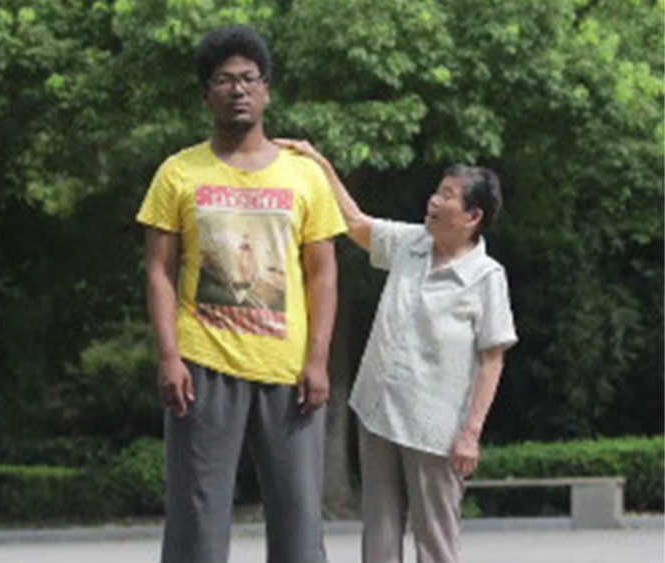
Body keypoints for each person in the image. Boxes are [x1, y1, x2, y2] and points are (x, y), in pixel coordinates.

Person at [136, 26, 346, 563]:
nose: (238, 90)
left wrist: (318, 359)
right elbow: (159, 271)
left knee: (300, 524)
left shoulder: (304, 175)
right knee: (197, 523)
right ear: (206, 95)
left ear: (267, 90)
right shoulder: (178, 173)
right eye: (224, 80)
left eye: (249, 78)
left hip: (289, 370)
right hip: (202, 365)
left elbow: (323, 273)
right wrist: (169, 357)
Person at [275, 140, 518, 563]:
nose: (433, 201)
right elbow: (354, 222)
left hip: (436, 429)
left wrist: (470, 433)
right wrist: (320, 164)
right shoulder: (412, 243)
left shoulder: (485, 277)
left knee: (435, 540)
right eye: (437, 191)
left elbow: (491, 359)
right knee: (379, 535)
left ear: (473, 216)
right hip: (378, 413)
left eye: (447, 195)